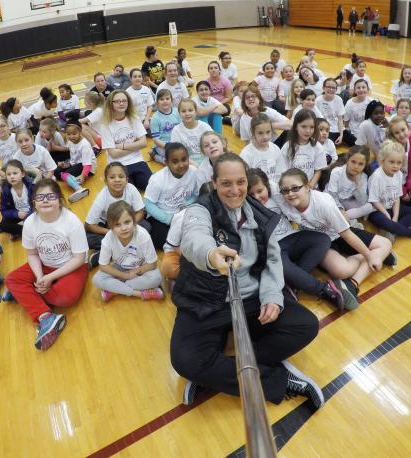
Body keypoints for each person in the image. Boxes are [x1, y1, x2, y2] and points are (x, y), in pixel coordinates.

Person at [170, 153, 323, 409]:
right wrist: (211, 254)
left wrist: (272, 296)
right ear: (214, 182)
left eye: (240, 182)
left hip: (249, 299)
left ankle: (215, 372)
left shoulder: (261, 216)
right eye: (226, 183)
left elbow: (273, 261)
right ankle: (278, 379)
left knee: (306, 325)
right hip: (206, 300)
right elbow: (194, 238)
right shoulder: (199, 209)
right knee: (185, 361)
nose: (235, 190)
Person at [246, 168, 351, 310]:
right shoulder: (248, 208)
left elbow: (278, 185)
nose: (257, 197)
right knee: (280, 265)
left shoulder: (276, 196)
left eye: (260, 191)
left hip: (291, 237)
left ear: (267, 187)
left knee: (323, 239)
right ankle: (324, 290)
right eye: (251, 194)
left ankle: (294, 282)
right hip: (274, 247)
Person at [4, 179, 88, 351]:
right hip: (45, 265)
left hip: (72, 265)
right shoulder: (30, 222)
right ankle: (46, 317)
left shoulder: (71, 221)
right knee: (12, 280)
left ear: (59, 199)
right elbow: (32, 254)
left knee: (65, 298)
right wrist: (40, 276)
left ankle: (26, 295)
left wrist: (49, 278)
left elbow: (79, 258)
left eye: (51, 196)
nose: (45, 200)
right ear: (34, 202)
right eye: (40, 197)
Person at [93, 201, 163, 302]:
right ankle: (140, 294)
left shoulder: (143, 235)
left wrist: (133, 273)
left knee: (156, 278)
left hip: (141, 268)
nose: (124, 228)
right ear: (111, 227)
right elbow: (103, 265)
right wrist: (125, 276)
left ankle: (114, 290)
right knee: (97, 279)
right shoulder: (108, 238)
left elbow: (152, 264)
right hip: (120, 267)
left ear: (134, 221)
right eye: (117, 225)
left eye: (127, 222)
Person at [367, 141, 411, 241]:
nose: (395, 166)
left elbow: (397, 197)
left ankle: (391, 230)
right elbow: (374, 201)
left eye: (399, 163)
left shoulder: (399, 174)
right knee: (385, 221)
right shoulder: (377, 176)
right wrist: (386, 214)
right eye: (391, 162)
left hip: (391, 208)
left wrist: (395, 216)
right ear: (383, 160)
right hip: (377, 211)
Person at [85, 162, 148, 257]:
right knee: (87, 238)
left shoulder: (131, 189)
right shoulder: (102, 196)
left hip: (128, 223)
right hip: (108, 226)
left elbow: (140, 212)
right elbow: (88, 225)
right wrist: (112, 232)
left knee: (146, 226)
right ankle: (128, 248)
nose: (117, 180)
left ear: (127, 180)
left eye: (121, 176)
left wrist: (129, 225)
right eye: (112, 177)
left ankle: (110, 251)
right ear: (105, 181)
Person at [144, 143, 200, 250]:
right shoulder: (158, 179)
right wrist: (168, 219)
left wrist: (187, 204)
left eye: (184, 159)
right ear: (166, 162)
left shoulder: (194, 172)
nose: (181, 165)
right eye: (175, 161)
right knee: (160, 240)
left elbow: (196, 195)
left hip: (182, 213)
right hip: (162, 215)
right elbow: (148, 204)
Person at [99, 90, 152, 191]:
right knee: (128, 192)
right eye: (117, 101)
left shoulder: (134, 118)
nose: (121, 103)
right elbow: (114, 154)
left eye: (124, 100)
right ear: (111, 103)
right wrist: (135, 145)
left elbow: (144, 143)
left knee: (150, 186)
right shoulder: (105, 125)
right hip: (117, 164)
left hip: (136, 160)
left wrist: (122, 146)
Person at [0, 160, 34, 240]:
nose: (12, 177)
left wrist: (29, 216)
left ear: (23, 174)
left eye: (15, 173)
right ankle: (28, 232)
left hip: (33, 214)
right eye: (9, 174)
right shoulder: (6, 191)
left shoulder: (31, 187)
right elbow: (3, 210)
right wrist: (16, 214)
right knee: (3, 225)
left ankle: (20, 231)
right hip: (18, 215)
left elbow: (38, 205)